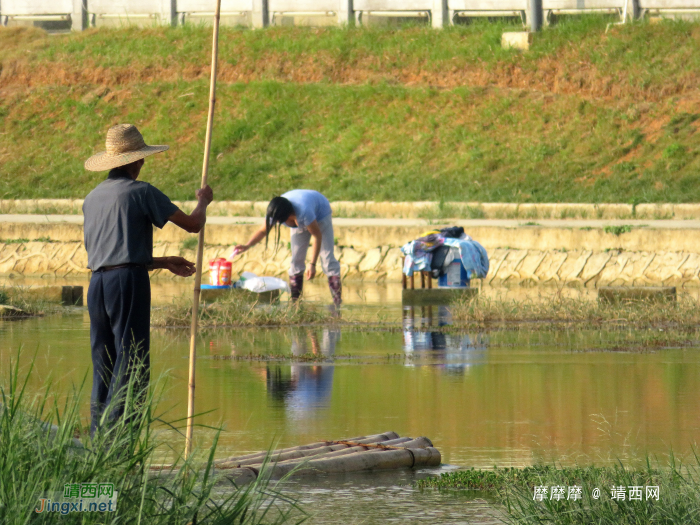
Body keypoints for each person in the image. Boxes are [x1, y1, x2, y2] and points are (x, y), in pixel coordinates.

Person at [83, 123, 213, 436]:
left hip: (97, 286)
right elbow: (193, 225)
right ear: (132, 161)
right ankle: (121, 437)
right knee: (132, 357)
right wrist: (204, 200)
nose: (142, 164)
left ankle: (97, 435)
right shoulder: (142, 192)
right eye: (140, 159)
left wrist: (165, 261)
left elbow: (111, 254)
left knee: (104, 359)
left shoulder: (92, 197)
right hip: (127, 284)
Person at [230, 190, 341, 306]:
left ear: (289, 215)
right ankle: (295, 304)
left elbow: (317, 235)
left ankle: (337, 303)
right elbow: (263, 231)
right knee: (296, 261)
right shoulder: (275, 211)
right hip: (300, 211)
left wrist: (312, 264)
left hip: (320, 212)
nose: (277, 222)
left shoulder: (304, 211)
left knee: (328, 260)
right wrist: (247, 245)